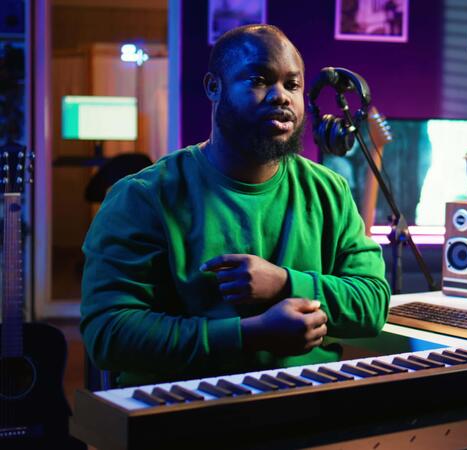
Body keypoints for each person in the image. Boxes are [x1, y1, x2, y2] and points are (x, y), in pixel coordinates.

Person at [80, 24, 391, 387]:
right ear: (214, 87)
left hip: (308, 399)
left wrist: (284, 283)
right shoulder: (143, 197)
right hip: (186, 406)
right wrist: (249, 334)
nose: (281, 96)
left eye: (292, 84)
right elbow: (109, 333)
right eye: (259, 80)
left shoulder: (329, 191)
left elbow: (373, 303)